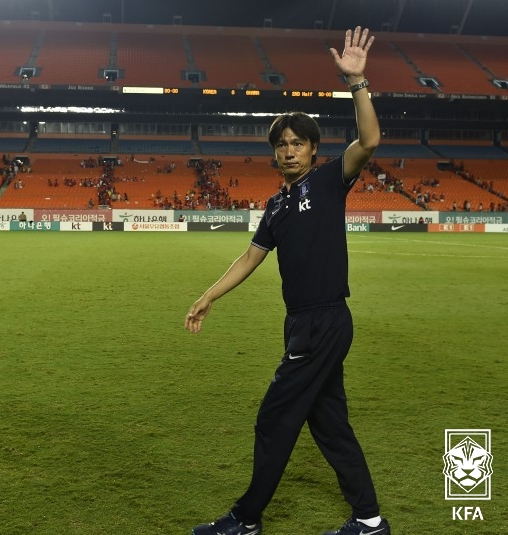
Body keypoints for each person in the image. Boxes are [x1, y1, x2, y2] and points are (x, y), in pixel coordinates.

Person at [184, 27, 390, 535]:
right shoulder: (275, 206)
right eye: (282, 145)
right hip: (300, 324)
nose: (289, 151)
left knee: (275, 420)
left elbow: (370, 141)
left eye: (298, 143)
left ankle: (246, 519)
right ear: (274, 154)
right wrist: (208, 295)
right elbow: (250, 257)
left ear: (313, 149)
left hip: (324, 320)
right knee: (329, 424)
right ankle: (369, 520)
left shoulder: (328, 181)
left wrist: (358, 81)